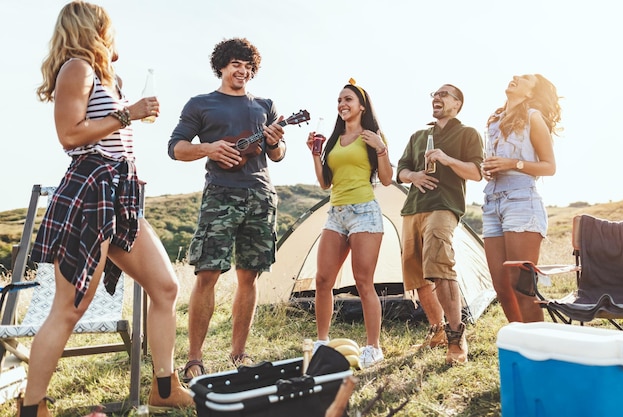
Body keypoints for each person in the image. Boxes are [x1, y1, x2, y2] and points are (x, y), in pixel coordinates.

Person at [19, 2, 194, 416]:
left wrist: (129, 111)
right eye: (108, 28)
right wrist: (127, 113)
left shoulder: (105, 75)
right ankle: (33, 408)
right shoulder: (76, 68)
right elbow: (69, 134)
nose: (114, 36)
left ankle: (164, 388)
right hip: (91, 188)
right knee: (69, 308)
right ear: (94, 28)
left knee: (166, 287)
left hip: (120, 192)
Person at [168, 38, 287, 381]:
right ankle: (194, 359)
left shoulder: (265, 105)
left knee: (249, 275)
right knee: (207, 274)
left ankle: (239, 354)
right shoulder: (201, 104)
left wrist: (276, 141)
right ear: (221, 66)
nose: (242, 71)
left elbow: (277, 155)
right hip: (221, 195)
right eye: (236, 64)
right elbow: (175, 148)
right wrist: (210, 149)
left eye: (248, 66)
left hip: (261, 197)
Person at [306, 79, 393, 368]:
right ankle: (321, 342)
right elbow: (324, 184)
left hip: (364, 212)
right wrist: (315, 156)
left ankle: (373, 347)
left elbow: (387, 178)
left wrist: (382, 149)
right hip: (336, 213)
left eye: (348, 100)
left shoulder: (372, 136)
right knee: (322, 280)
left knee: (363, 282)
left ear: (361, 106)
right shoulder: (333, 139)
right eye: (339, 101)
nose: (342, 104)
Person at [397, 84, 483, 365]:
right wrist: (415, 176)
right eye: (435, 94)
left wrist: (446, 159)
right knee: (416, 272)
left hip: (444, 206)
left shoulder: (467, 133)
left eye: (444, 94)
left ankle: (457, 336)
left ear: (457, 104)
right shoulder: (419, 135)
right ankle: (437, 331)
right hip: (413, 208)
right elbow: (401, 171)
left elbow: (476, 172)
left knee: (439, 264)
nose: (437, 97)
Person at [481, 74, 561, 323]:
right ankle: (520, 344)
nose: (515, 77)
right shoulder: (494, 120)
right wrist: (489, 169)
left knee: (521, 286)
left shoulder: (533, 117)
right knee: (501, 286)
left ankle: (539, 349)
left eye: (524, 78)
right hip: (492, 201)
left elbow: (549, 166)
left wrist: (511, 163)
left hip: (521, 202)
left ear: (530, 93)